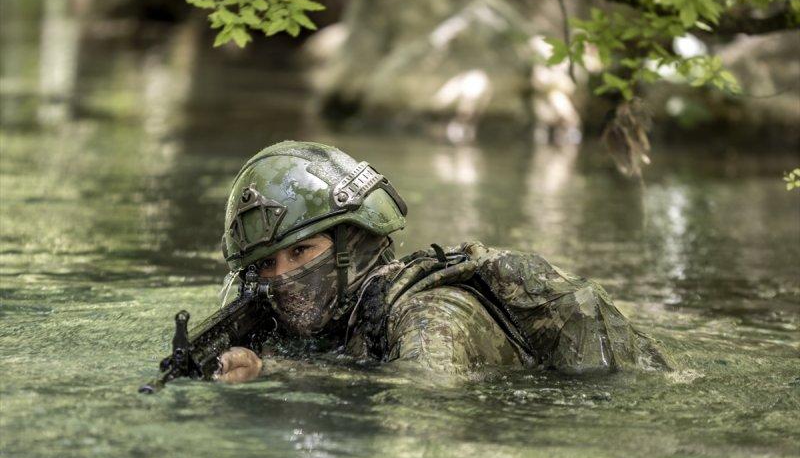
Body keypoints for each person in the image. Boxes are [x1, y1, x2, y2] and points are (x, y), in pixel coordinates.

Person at [213, 141, 670, 384]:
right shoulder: (330, 320)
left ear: (352, 242)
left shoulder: (430, 313)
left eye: (301, 252)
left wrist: (276, 371)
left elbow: (424, 391)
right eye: (266, 265)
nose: (281, 278)